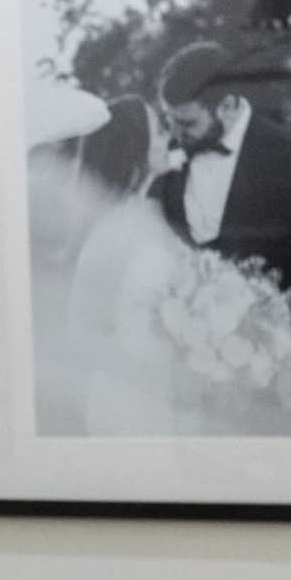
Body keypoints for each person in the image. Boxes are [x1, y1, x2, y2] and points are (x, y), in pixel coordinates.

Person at [152, 35, 291, 343]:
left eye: (187, 124)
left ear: (229, 105)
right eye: (169, 121)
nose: (174, 136)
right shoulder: (167, 166)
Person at [26, 93, 192, 436]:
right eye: (159, 129)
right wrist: (144, 366)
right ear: (135, 143)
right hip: (126, 401)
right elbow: (81, 330)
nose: (168, 136)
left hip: (163, 390)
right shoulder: (109, 225)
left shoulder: (149, 213)